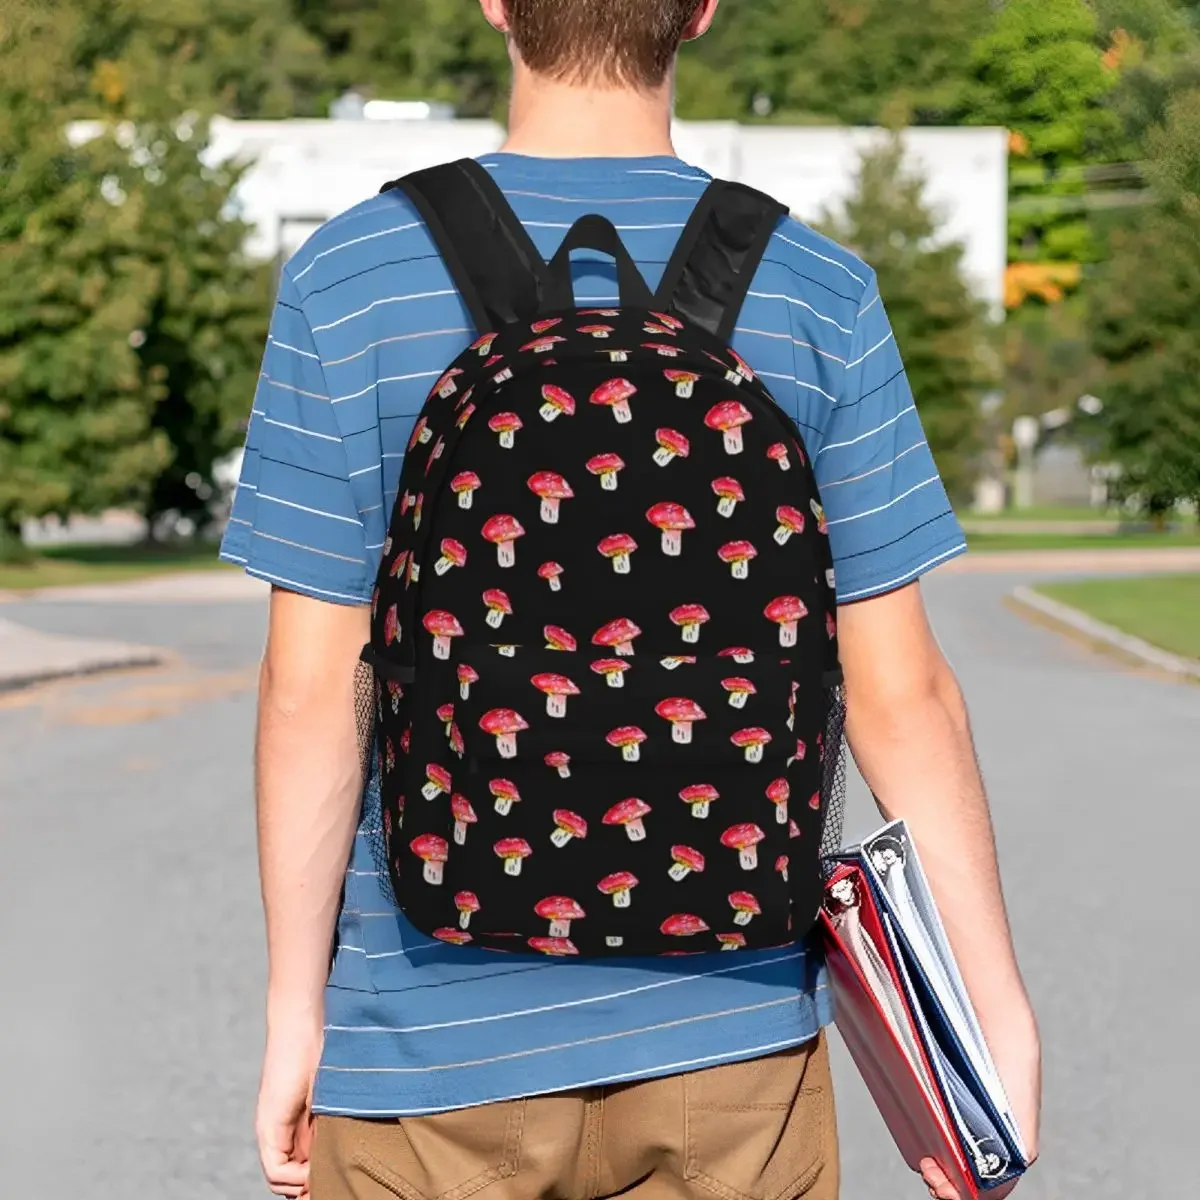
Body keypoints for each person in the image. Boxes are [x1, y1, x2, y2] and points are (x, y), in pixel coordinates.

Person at [221, 3, 1041, 1197]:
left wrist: (299, 1013)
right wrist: (988, 1012)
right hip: (735, 1043)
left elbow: (309, 690)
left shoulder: (351, 280)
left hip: (426, 1046)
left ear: (497, 3)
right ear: (701, 9)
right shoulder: (818, 289)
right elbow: (901, 693)